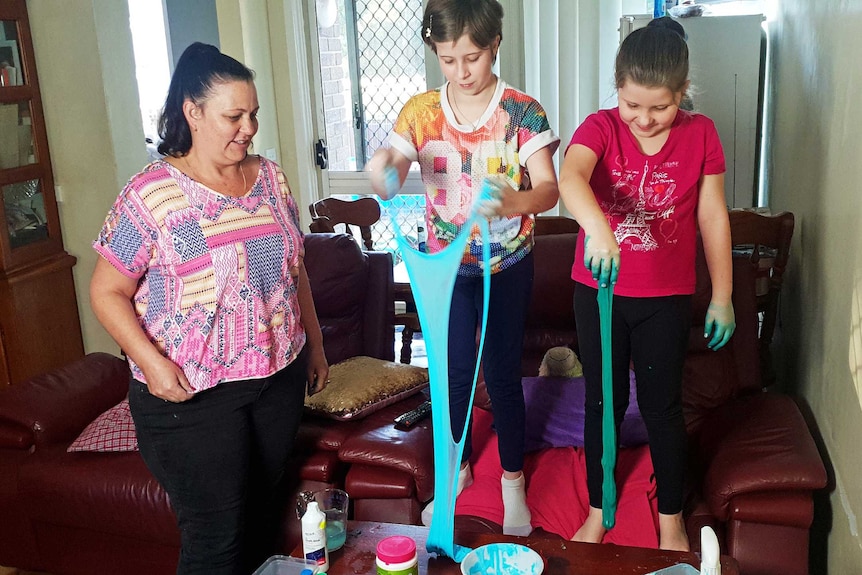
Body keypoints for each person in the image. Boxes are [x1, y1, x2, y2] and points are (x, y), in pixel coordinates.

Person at [90, 42, 329, 575]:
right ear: (192, 113)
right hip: (191, 395)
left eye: (254, 115)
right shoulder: (150, 195)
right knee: (214, 542)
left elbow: (295, 272)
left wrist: (314, 345)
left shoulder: (271, 179)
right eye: (234, 116)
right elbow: (106, 292)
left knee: (261, 521)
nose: (248, 128)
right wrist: (152, 365)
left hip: (277, 380)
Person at [367, 0, 560, 536]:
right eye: (447, 60)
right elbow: (395, 166)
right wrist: (383, 169)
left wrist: (513, 204)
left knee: (501, 376)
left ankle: (512, 484)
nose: (460, 72)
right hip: (444, 271)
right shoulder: (420, 112)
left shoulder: (523, 112)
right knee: (450, 376)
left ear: (495, 43)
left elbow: (548, 188)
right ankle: (456, 474)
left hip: (507, 266)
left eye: (471, 58)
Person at [558, 22, 735, 551]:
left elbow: (712, 217)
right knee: (601, 404)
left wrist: (722, 296)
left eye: (659, 107)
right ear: (617, 90)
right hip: (599, 293)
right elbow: (570, 177)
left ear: (682, 94)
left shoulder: (701, 134)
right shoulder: (601, 127)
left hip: (665, 299)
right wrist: (598, 228)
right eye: (632, 104)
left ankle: (671, 519)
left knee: (662, 409)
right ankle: (598, 508)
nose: (644, 118)